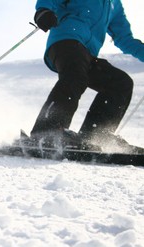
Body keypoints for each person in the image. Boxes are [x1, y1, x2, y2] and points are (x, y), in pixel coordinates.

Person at [31, 0, 144, 152]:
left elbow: (125, 39)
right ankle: (46, 132)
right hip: (66, 41)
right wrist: (43, 11)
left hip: (87, 54)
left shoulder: (114, 5)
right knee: (75, 76)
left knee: (120, 83)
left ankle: (93, 136)